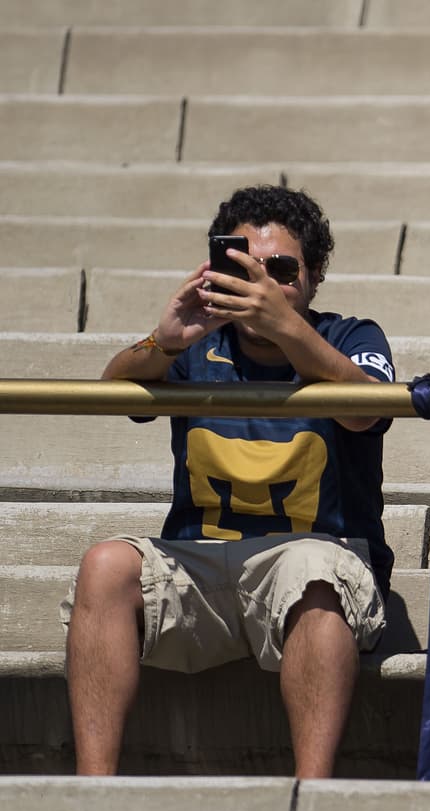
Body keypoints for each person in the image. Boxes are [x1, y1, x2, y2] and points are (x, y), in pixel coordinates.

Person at [61, 185, 396, 778]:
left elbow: (365, 410)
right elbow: (116, 394)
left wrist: (287, 328)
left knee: (315, 574)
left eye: (282, 270)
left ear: (314, 277)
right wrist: (162, 342)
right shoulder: (197, 347)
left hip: (314, 562)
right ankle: (93, 796)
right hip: (203, 565)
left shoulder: (350, 337)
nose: (263, 284)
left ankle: (310, 803)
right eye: (245, 267)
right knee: (104, 565)